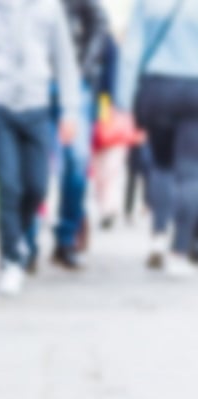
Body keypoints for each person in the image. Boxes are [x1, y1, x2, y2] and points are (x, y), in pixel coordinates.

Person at [0, 0, 81, 296]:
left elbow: (65, 62)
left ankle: (20, 239)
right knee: (8, 186)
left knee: (37, 186)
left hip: (36, 107)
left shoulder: (49, 9)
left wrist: (70, 110)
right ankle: (11, 260)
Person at [116, 0, 198, 276]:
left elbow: (131, 52)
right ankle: (179, 250)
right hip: (194, 88)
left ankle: (158, 236)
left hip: (157, 87)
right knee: (190, 173)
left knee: (161, 166)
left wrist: (123, 104)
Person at [51, 0, 110, 270]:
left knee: (77, 161)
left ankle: (66, 237)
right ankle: (21, 245)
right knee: (32, 168)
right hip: (33, 82)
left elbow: (100, 21)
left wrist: (84, 68)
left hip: (75, 82)